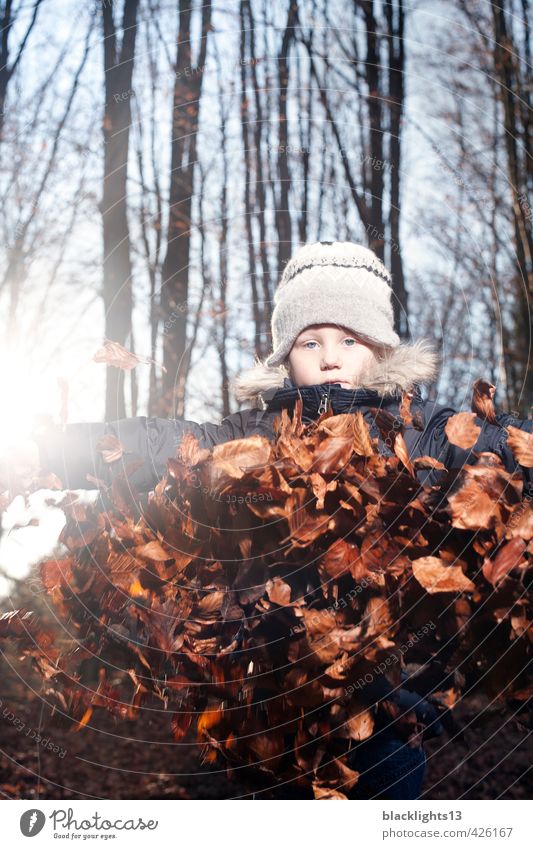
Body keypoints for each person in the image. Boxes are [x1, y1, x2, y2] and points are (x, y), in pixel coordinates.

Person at [2, 240, 532, 798]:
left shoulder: (424, 434)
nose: (331, 357)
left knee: (389, 779)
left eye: (349, 340)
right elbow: (158, 445)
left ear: (378, 349)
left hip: (376, 708)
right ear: (286, 355)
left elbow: (507, 448)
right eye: (311, 341)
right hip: (262, 705)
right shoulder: (255, 436)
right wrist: (44, 453)